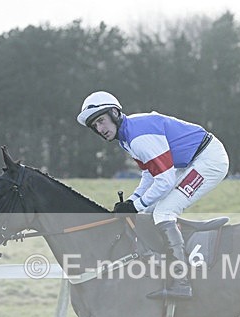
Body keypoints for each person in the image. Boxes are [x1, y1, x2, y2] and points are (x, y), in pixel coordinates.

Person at [77, 91, 230, 300]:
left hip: (209, 161)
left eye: (101, 121)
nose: (100, 129)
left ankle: (181, 281)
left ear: (115, 113)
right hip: (190, 162)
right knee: (148, 211)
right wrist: (133, 201)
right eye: (95, 126)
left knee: (164, 211)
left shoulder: (139, 138)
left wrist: (136, 205)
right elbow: (150, 174)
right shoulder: (127, 137)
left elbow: (165, 181)